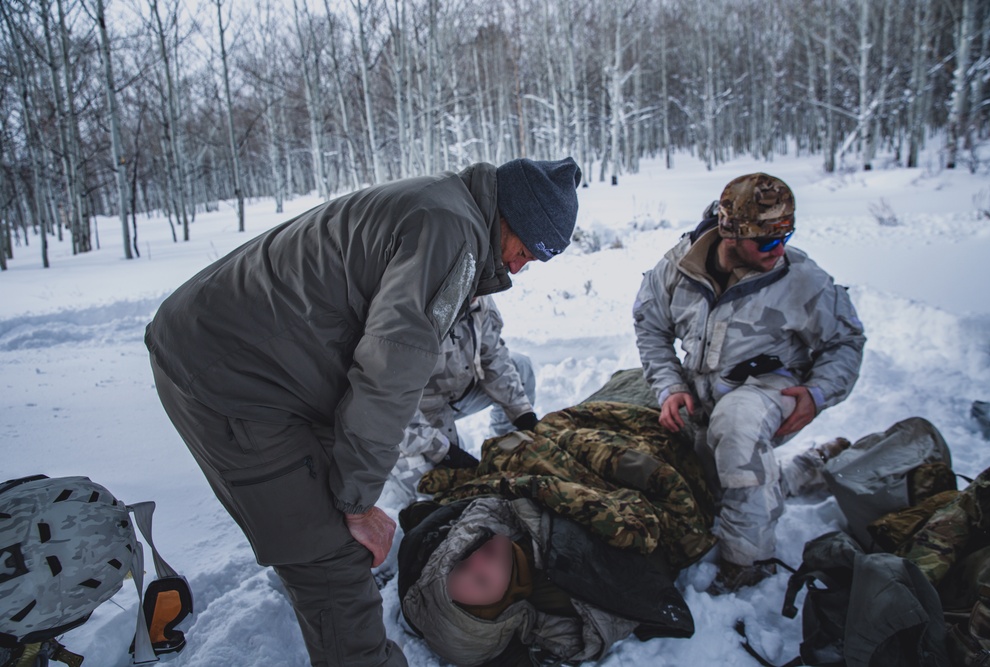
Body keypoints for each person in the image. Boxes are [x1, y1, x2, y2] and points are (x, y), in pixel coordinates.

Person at [144, 156, 582, 666]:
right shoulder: (451, 235)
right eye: (526, 251)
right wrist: (356, 502)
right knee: (330, 562)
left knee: (334, 518)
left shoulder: (447, 209)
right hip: (232, 376)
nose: (519, 267)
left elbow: (415, 359)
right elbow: (389, 374)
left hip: (258, 362)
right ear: (510, 217)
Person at [632, 172, 866, 592]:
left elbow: (846, 340)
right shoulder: (678, 268)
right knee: (709, 487)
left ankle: (748, 563)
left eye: (786, 236)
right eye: (766, 241)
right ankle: (806, 470)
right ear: (731, 233)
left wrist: (817, 393)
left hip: (767, 393)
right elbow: (650, 326)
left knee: (737, 429)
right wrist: (670, 387)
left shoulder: (803, 281)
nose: (779, 250)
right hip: (700, 402)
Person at [397, 394, 716, 667]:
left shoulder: (500, 527)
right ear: (508, 605)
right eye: (481, 580)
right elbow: (644, 522)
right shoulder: (580, 580)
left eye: (464, 564)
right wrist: (543, 489)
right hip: (654, 434)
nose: (477, 559)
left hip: (582, 422)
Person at [382, 294, 538, 507]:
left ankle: (506, 453)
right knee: (439, 490)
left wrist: (522, 413)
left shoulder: (481, 296)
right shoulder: (412, 310)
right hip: (410, 413)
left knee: (520, 365)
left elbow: (494, 357)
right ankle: (392, 473)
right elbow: (389, 401)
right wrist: (444, 451)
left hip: (457, 392)